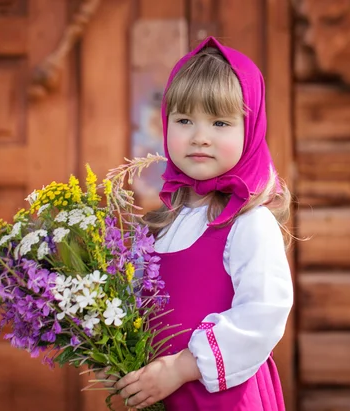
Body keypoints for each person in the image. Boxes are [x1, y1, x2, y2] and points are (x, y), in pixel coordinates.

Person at [98, 36, 293, 411]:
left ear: (249, 132)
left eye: (220, 122)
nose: (200, 137)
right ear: (166, 124)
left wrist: (184, 366)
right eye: (184, 120)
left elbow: (263, 313)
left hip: (221, 398)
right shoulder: (163, 223)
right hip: (167, 396)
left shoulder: (249, 223)